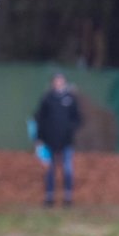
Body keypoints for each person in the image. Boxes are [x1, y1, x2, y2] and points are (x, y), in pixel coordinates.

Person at [34, 73, 82, 207]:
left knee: (67, 170)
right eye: (56, 81)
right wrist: (40, 139)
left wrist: (69, 130)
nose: (59, 83)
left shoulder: (70, 99)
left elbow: (77, 119)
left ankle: (68, 197)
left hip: (66, 142)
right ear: (53, 83)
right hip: (49, 142)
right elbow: (40, 119)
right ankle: (49, 198)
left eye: (61, 81)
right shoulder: (47, 99)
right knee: (50, 170)